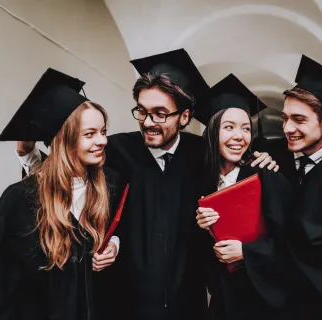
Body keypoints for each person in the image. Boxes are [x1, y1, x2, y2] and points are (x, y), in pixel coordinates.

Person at [15, 49, 277, 319]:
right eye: (142, 112)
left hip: (187, 302)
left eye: (160, 114)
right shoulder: (115, 150)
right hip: (124, 301)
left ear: (184, 117)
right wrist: (29, 154)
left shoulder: (202, 155)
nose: (149, 122)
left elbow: (237, 170)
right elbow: (63, 181)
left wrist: (263, 158)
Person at [0, 68, 124, 320]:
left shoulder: (109, 183)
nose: (102, 141)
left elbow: (124, 226)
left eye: (103, 131)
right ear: (63, 140)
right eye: (89, 134)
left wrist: (114, 243)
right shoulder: (20, 200)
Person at [194, 74, 291, 319]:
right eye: (229, 127)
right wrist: (205, 230)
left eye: (246, 128)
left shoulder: (266, 176)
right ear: (212, 131)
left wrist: (246, 252)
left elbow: (294, 242)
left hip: (266, 304)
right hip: (223, 302)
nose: (239, 136)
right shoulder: (201, 181)